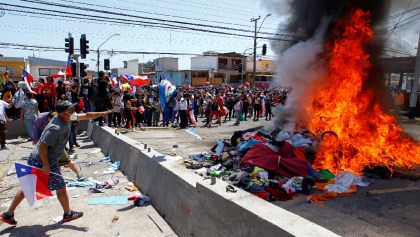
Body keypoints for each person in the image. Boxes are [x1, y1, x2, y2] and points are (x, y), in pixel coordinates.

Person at [0, 101, 111, 225]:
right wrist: (46, 165)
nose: (74, 110)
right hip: (43, 160)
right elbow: (42, 146)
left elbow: (85, 115)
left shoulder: (67, 117)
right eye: (71, 108)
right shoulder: (55, 127)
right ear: (64, 112)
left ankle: (8, 214)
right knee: (61, 186)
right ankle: (68, 213)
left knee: (28, 187)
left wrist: (102, 113)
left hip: (39, 159)